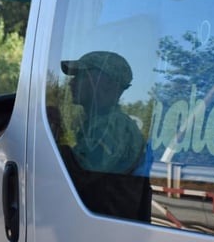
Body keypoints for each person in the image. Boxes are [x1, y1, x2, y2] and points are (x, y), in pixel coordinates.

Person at [59, 51, 152, 221]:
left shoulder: (113, 127)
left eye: (79, 76)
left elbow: (78, 176)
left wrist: (53, 133)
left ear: (104, 83)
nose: (70, 83)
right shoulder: (100, 124)